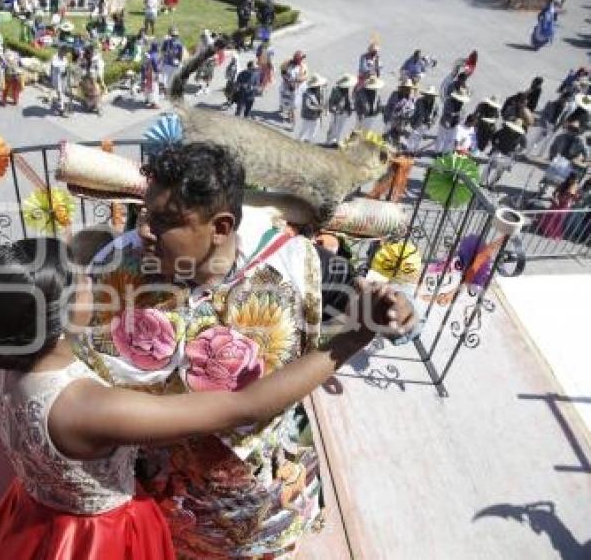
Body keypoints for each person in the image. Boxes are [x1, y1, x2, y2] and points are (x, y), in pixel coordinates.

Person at [0, 233, 405, 559]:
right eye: (81, 279)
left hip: (30, 520)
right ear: (60, 313)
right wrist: (349, 340)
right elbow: (242, 407)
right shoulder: (89, 408)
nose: (92, 280)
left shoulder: (0, 357)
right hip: (99, 538)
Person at [82, 142, 416, 558]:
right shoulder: (119, 260)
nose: (145, 230)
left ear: (220, 227)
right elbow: (79, 362)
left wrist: (396, 311)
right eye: (146, 213)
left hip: (253, 504)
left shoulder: (302, 268)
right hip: (151, 497)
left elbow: (375, 307)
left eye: (166, 220)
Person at [528, 92, 571, 157]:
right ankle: (528, 152)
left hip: (554, 126)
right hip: (546, 123)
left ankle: (540, 155)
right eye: (565, 99)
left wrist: (558, 127)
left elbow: (563, 119)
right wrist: (544, 122)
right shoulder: (551, 103)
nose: (565, 102)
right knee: (536, 138)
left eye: (567, 100)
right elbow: (544, 113)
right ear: (562, 97)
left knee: (547, 142)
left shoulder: (566, 108)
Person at [434, 88, 469, 153]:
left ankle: (445, 152)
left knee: (450, 139)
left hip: (455, 124)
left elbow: (463, 115)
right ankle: (437, 152)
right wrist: (456, 114)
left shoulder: (462, 105)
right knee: (441, 138)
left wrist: (459, 118)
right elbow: (447, 112)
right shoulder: (448, 102)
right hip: (445, 122)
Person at [383, 79, 416, 147]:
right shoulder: (395, 94)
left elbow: (412, 110)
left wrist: (407, 114)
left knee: (398, 136)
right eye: (406, 88)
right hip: (391, 119)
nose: (407, 90)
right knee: (386, 135)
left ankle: (395, 147)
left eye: (409, 88)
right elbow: (388, 106)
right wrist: (386, 118)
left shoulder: (411, 98)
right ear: (402, 87)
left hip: (402, 121)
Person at [408, 85, 440, 153]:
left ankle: (415, 150)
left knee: (419, 137)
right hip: (417, 121)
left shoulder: (435, 104)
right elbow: (414, 111)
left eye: (431, 95)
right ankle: (409, 150)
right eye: (428, 95)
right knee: (413, 136)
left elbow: (436, 115)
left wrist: (432, 123)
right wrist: (412, 121)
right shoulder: (419, 101)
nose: (429, 96)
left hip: (426, 123)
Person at [326, 73, 355, 145]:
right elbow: (331, 101)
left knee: (340, 128)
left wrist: (349, 110)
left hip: (344, 112)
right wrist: (334, 109)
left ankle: (336, 141)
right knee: (333, 127)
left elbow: (349, 101)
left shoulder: (347, 90)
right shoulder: (335, 90)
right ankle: (329, 141)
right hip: (336, 112)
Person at [279, 50, 307, 125]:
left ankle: (289, 114)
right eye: (301, 58)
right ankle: (287, 112)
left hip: (297, 88)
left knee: (294, 104)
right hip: (287, 86)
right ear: (296, 58)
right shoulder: (287, 63)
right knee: (285, 100)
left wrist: (298, 80)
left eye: (302, 58)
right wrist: (288, 81)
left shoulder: (303, 66)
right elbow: (282, 73)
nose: (302, 60)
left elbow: (305, 76)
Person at [298, 73, 327, 142]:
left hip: (315, 115)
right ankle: (300, 140)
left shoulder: (319, 91)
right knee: (305, 128)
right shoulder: (307, 93)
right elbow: (309, 105)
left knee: (314, 128)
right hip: (308, 114)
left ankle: (308, 140)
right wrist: (319, 108)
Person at [193, 29, 216, 96]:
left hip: (210, 60)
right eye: (203, 36)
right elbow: (198, 51)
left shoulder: (212, 42)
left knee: (209, 75)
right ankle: (200, 88)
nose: (203, 37)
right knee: (199, 75)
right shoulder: (200, 42)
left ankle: (207, 88)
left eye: (205, 36)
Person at [50, 47, 70, 115]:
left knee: (62, 92)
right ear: (61, 51)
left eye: (65, 53)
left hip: (63, 77)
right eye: (64, 53)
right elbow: (53, 65)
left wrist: (66, 72)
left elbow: (66, 67)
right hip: (56, 77)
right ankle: (62, 108)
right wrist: (51, 77)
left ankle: (60, 105)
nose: (65, 54)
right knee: (59, 91)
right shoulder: (55, 57)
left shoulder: (65, 58)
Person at [141, 42, 161, 109]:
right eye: (158, 47)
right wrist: (158, 72)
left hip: (146, 73)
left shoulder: (148, 53)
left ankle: (147, 99)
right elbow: (156, 67)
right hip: (152, 74)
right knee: (154, 88)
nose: (159, 48)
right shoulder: (154, 55)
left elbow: (143, 64)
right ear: (156, 47)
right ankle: (154, 103)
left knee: (148, 87)